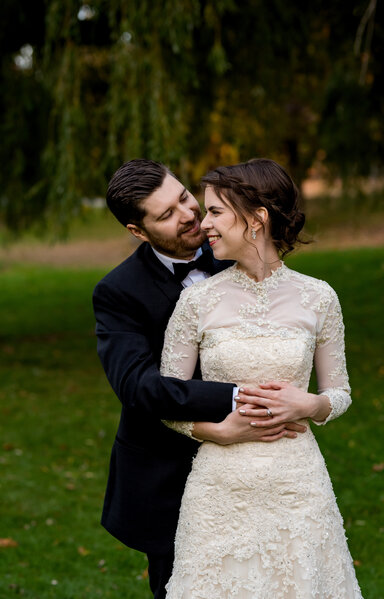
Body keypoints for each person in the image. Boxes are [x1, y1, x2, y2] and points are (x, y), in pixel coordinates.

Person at [92, 159, 308, 599]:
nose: (189, 214)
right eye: (167, 214)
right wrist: (240, 399)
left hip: (263, 469)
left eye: (185, 198)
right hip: (167, 475)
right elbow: (140, 388)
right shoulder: (119, 292)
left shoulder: (238, 254)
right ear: (138, 231)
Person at [160, 158, 363, 598]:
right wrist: (217, 432)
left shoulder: (319, 297)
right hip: (220, 490)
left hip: (297, 486)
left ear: (257, 217)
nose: (203, 223)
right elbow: (166, 399)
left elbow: (339, 392)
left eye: (215, 212)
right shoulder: (196, 301)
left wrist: (309, 405)